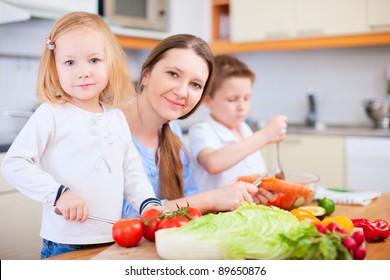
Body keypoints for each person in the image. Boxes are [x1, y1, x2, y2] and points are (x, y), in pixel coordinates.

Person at [1, 12, 161, 258]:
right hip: (64, 242)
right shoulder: (51, 114)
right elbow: (14, 164)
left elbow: (131, 172)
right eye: (70, 63)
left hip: (113, 238)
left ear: (111, 64)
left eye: (94, 60)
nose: (84, 71)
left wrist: (148, 204)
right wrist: (59, 195)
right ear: (54, 69)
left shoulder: (116, 118)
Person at [120, 34, 275, 218]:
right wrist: (211, 199)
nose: (182, 92)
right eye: (173, 74)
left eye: (195, 84)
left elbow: (189, 196)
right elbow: (127, 215)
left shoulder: (172, 133)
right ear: (145, 74)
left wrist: (226, 194)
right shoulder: (109, 127)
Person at [188, 54, 288, 192]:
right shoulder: (202, 130)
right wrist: (265, 135)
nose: (242, 106)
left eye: (246, 98)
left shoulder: (244, 129)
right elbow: (213, 163)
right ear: (207, 100)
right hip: (216, 212)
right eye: (232, 99)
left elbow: (256, 173)